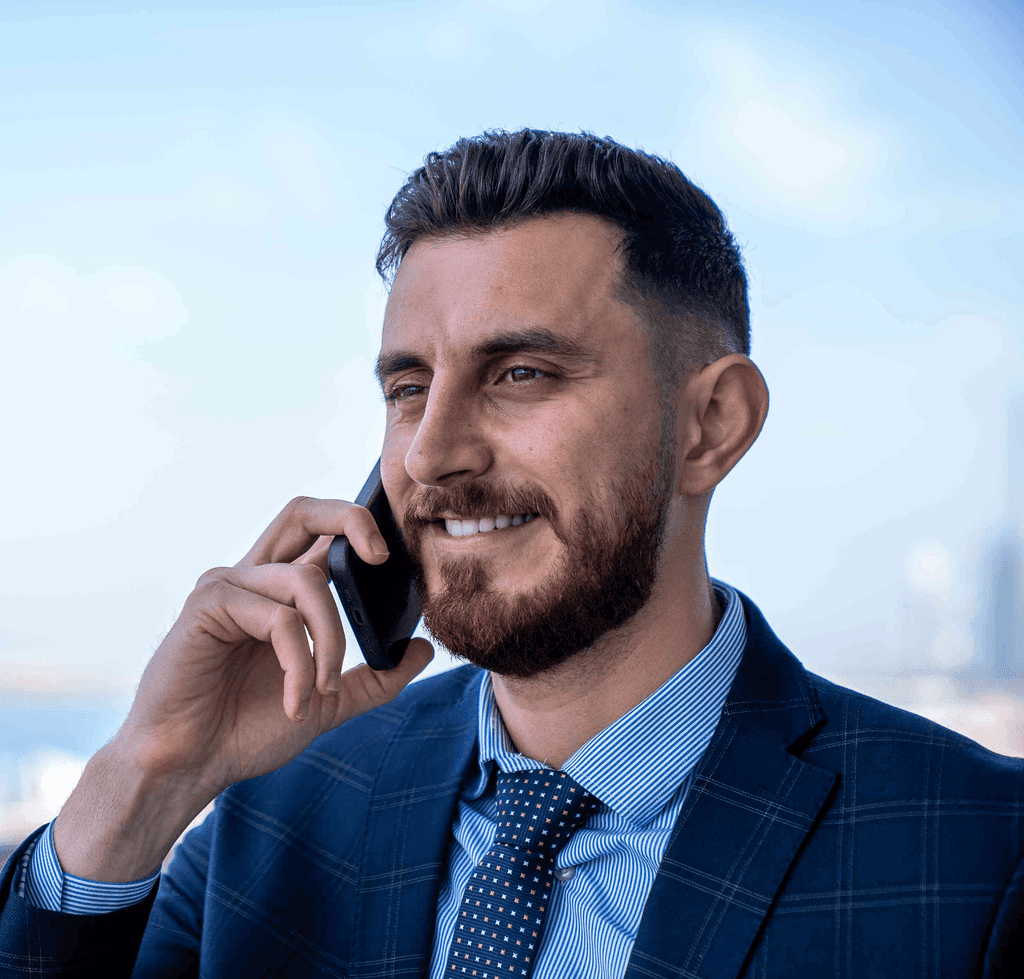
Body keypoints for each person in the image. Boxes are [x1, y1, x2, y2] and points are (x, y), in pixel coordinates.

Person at [1, 129, 1021, 978]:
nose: (432, 454)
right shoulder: (274, 816)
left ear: (711, 425)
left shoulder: (980, 859)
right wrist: (142, 780)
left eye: (520, 372)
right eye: (407, 389)